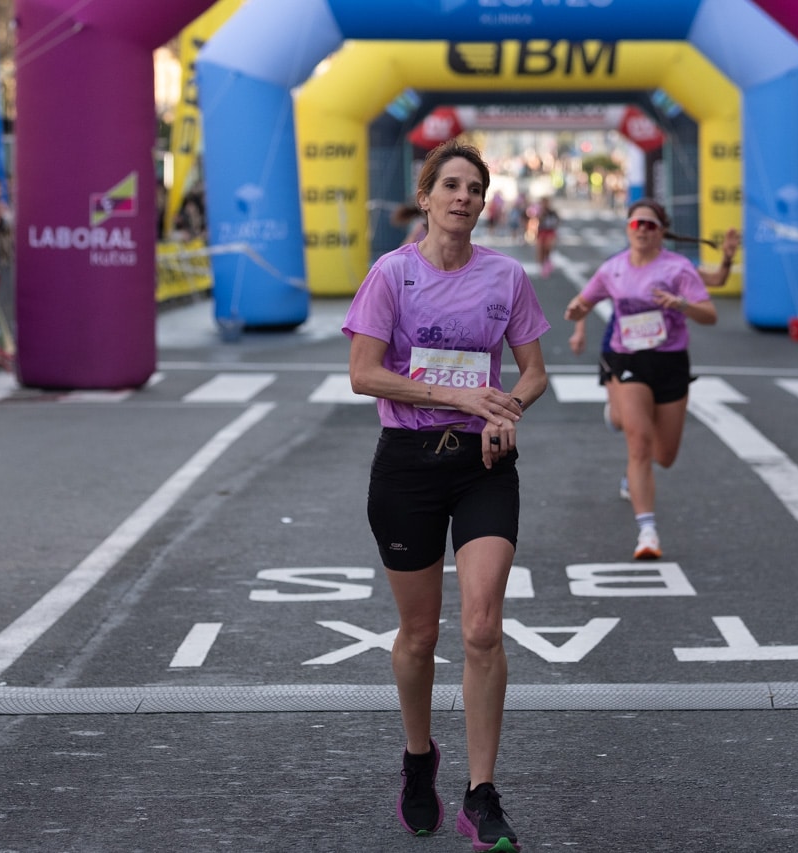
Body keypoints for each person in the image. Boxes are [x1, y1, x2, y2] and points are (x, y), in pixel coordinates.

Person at [345, 139, 547, 853]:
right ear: (426, 198)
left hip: (483, 464)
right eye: (451, 185)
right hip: (407, 465)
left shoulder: (506, 276)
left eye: (475, 188)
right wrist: (459, 396)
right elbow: (364, 374)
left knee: (483, 626)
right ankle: (418, 756)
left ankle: (481, 793)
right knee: (421, 635)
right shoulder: (392, 274)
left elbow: (534, 371)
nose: (464, 197)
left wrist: (506, 410)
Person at [565, 198, 717, 560]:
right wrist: (575, 314)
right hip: (628, 358)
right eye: (637, 224)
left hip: (670, 362)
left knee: (664, 455)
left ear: (661, 232)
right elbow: (583, 302)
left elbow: (709, 315)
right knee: (639, 444)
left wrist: (681, 305)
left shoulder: (678, 269)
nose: (643, 231)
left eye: (650, 225)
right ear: (628, 229)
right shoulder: (613, 269)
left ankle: (615, 413)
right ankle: (647, 532)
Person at [533, 197, 560, 278]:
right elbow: (535, 221)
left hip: (550, 232)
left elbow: (557, 221)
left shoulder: (552, 212)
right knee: (540, 250)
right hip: (541, 232)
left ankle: (547, 261)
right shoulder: (539, 212)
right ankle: (542, 265)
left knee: (547, 246)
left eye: (546, 203)